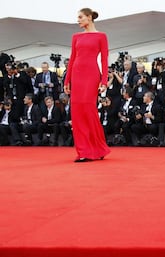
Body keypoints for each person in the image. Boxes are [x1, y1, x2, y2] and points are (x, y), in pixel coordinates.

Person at [64, 8, 110, 162]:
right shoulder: (75, 37)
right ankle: (84, 151)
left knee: (88, 108)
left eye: (80, 17)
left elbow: (104, 59)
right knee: (77, 111)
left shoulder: (101, 36)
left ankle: (98, 147)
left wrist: (104, 81)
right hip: (76, 75)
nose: (78, 20)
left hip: (91, 75)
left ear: (89, 18)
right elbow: (72, 59)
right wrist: (67, 80)